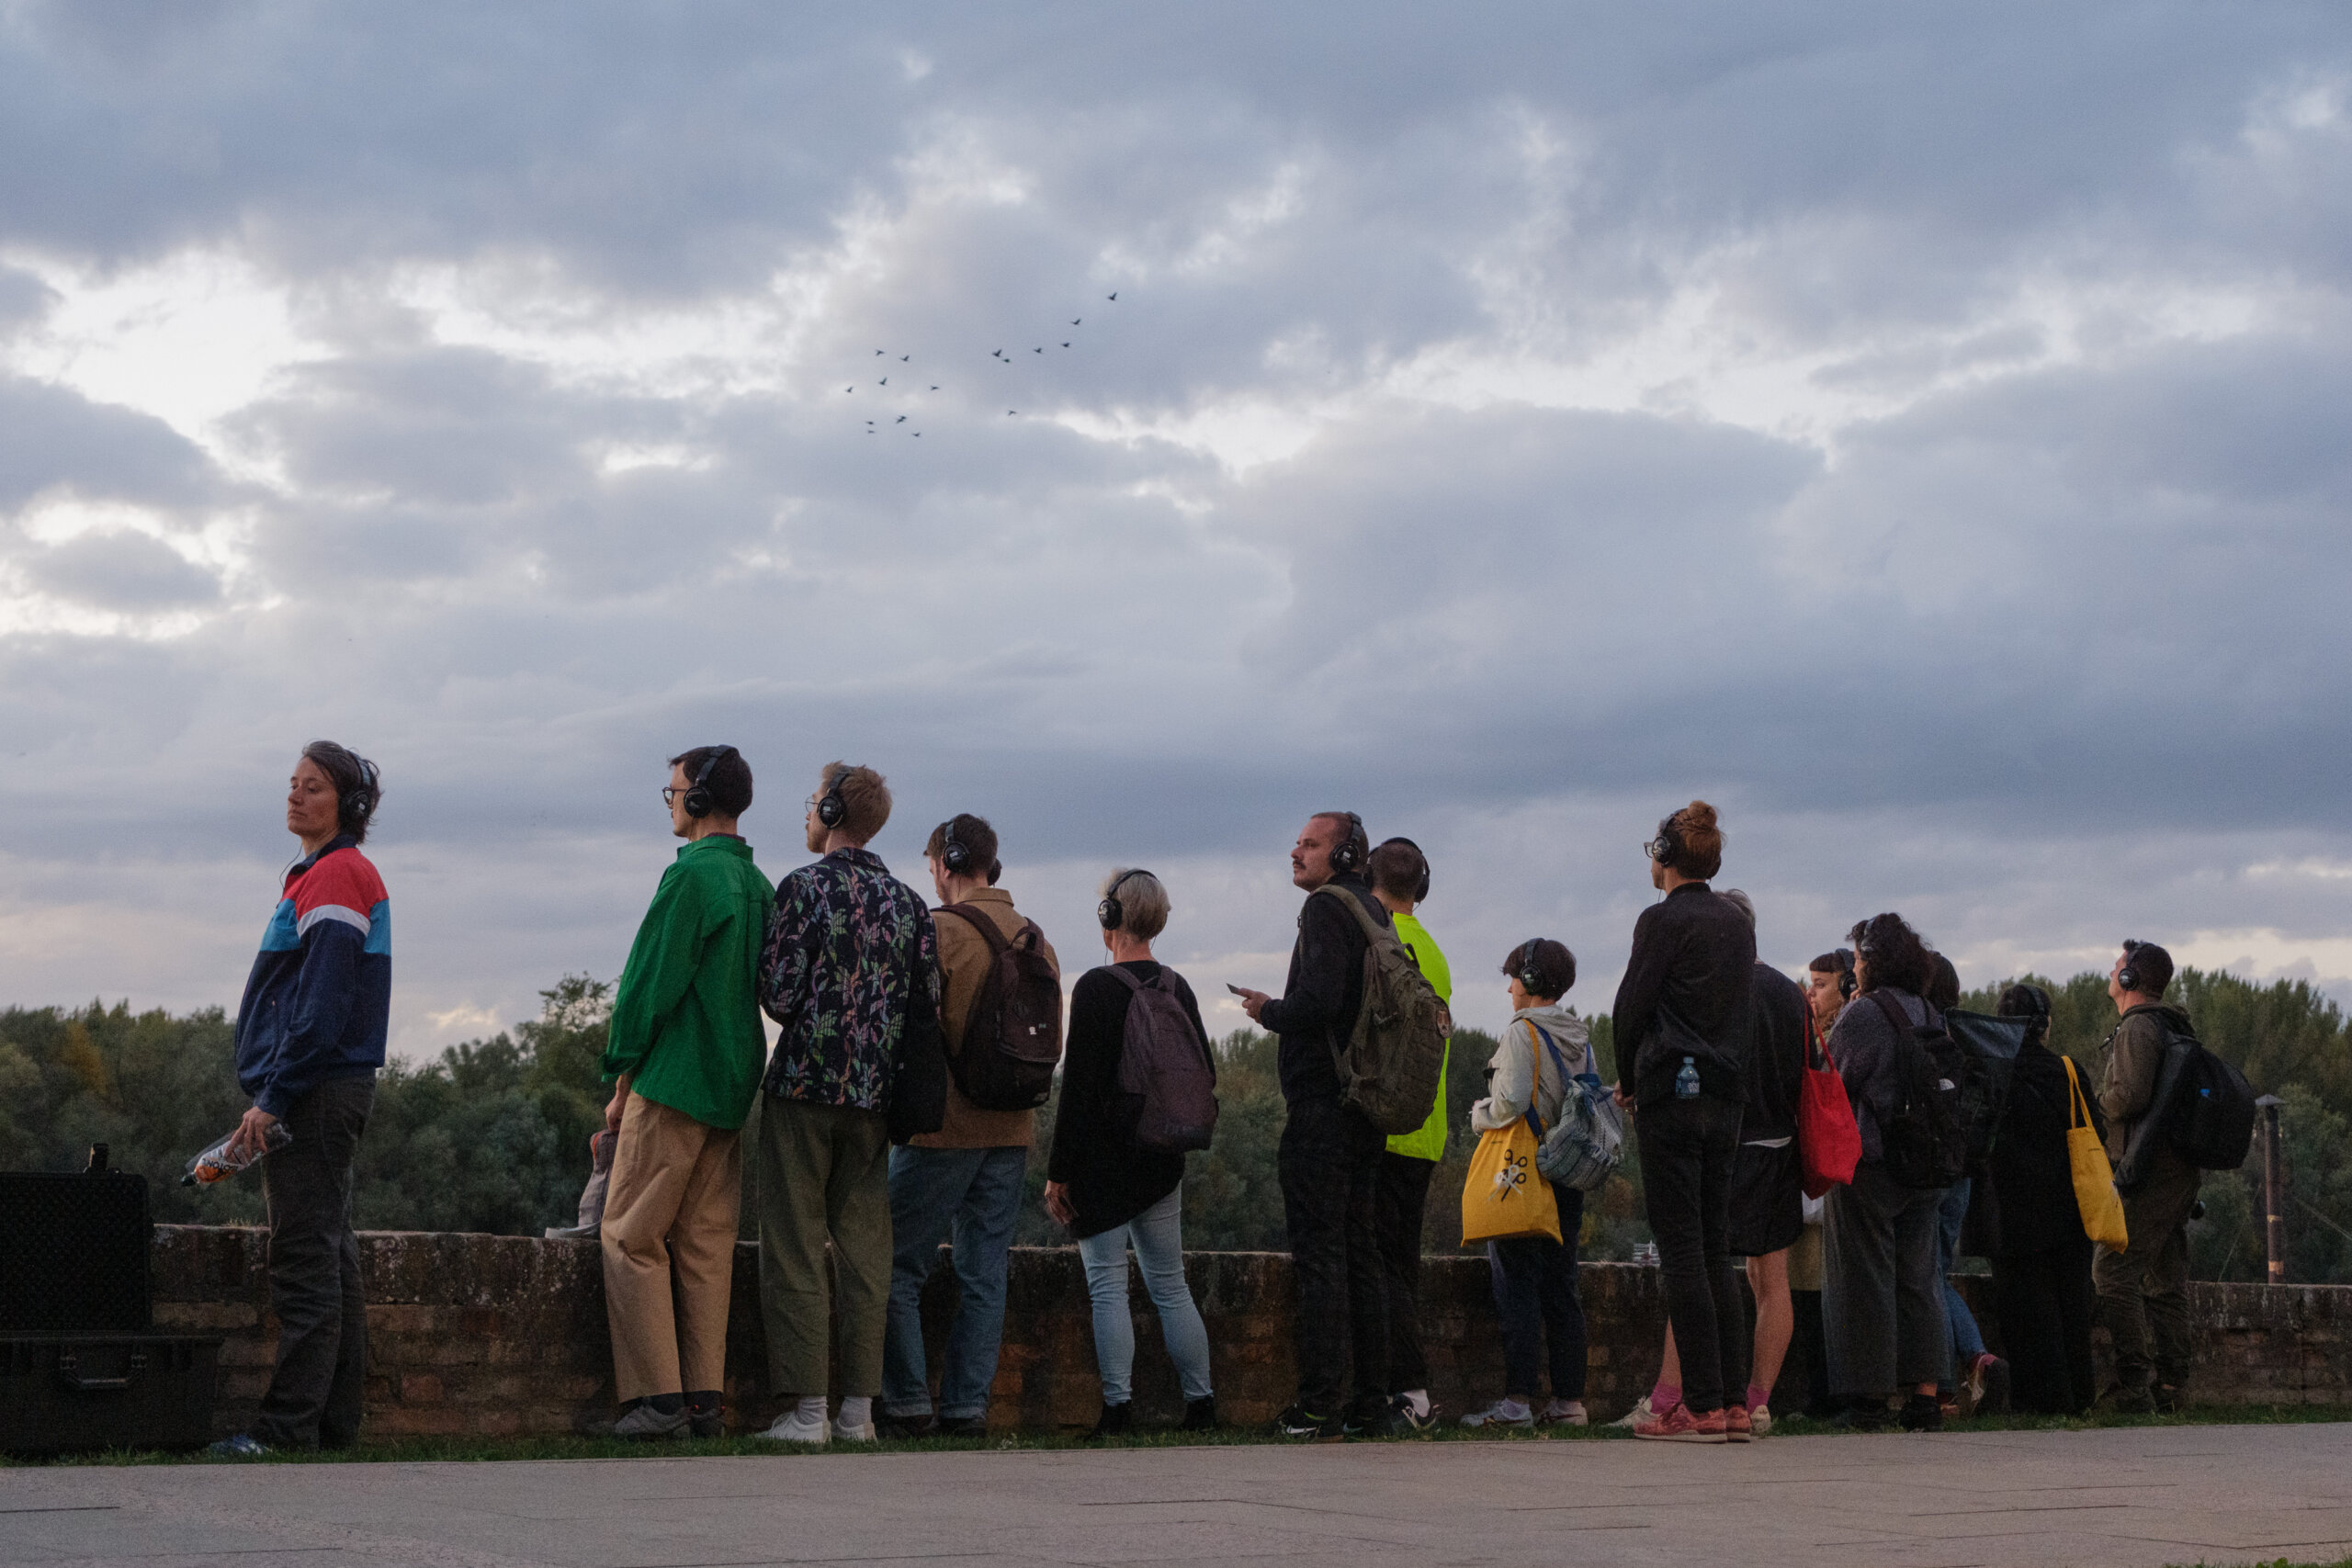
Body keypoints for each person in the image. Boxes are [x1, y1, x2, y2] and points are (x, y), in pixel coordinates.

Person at [210, 742, 390, 1458]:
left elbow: (321, 1001)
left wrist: (274, 1095)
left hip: (315, 1087)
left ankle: (285, 1430)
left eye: (311, 787)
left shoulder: (339, 874)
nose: (294, 797)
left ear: (346, 804)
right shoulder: (320, 873)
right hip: (326, 1085)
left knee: (304, 1260)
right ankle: (334, 1424)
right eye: (292, 785)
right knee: (332, 1255)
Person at [753, 762, 938, 1446]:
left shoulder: (803, 890)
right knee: (867, 1250)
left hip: (803, 1086)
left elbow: (777, 993)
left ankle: (807, 1412)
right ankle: (859, 1410)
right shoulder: (912, 904)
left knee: (795, 1244)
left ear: (831, 810)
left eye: (811, 802)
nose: (808, 813)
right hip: (876, 1096)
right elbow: (928, 1005)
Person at [594, 747, 773, 1441]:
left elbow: (647, 989)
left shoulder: (691, 879)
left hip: (674, 1080)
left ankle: (655, 1398)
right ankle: (704, 1396)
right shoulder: (758, 882)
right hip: (731, 1085)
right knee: (705, 1244)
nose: (668, 802)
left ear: (698, 799)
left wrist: (620, 1078)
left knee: (630, 1233)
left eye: (671, 791)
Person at [880, 815, 1057, 1438]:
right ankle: (965, 1408)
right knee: (984, 1273)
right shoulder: (1036, 937)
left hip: (943, 1130)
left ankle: (905, 1401)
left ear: (946, 863)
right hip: (1011, 1130)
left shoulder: (937, 931)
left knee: (894, 1263)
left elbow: (910, 1031)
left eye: (933, 864)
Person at [1232, 811, 1394, 1440]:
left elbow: (1319, 1002)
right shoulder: (1372, 910)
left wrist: (1267, 1009)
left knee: (1322, 1253)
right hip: (1364, 1107)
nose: (1295, 851)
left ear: (1345, 853)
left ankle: (1321, 1401)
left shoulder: (1327, 908)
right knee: (1362, 1250)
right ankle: (1370, 1402)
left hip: (1324, 1107)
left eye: (1310, 843)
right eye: (1297, 840)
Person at [1042, 869, 1218, 1437]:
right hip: (1163, 1159)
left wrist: (1058, 1173)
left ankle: (1118, 1409)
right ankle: (1202, 1405)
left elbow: (1080, 1092)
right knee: (1170, 1283)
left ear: (1109, 918)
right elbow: (1203, 1074)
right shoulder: (1177, 986)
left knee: (1106, 1286)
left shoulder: (1096, 987)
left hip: (1103, 1165)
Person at [1623, 890, 1805, 1440]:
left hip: (1724, 1134)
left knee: (1698, 1262)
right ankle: (1753, 1401)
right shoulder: (1789, 994)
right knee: (1771, 1282)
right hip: (1779, 1144)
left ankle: (1674, 1395)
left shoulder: (1720, 988)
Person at [1611, 801, 1754, 1444]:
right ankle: (1732, 1400)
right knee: (1717, 1248)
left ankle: (1698, 1402)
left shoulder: (1661, 920)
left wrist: (1632, 1081)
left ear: (1665, 853)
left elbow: (1630, 1006)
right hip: (1726, 1094)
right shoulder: (1735, 922)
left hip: (1672, 1090)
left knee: (1681, 1252)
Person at [1822, 911, 1950, 1432]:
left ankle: (1869, 1399)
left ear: (1871, 961)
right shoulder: (1930, 1013)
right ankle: (1925, 1397)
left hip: (1872, 1164)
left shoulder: (1865, 1015)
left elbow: (1834, 1080)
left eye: (1856, 959)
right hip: (1928, 1163)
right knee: (1921, 1279)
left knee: (1864, 1278)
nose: (1854, 968)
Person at [1459, 939, 1591, 1431]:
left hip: (1523, 1170)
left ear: (1531, 982)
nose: (1510, 988)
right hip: (1567, 1172)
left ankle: (1516, 1402)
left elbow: (1511, 1099)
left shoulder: (1522, 1031)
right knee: (1562, 1284)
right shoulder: (1580, 1034)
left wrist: (1478, 1114)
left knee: (1516, 1284)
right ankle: (1569, 1402)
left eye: (1514, 977)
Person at [1365, 837, 1452, 1432]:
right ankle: (1406, 1384)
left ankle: (1407, 1388)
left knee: (1381, 1266)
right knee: (1401, 1263)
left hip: (1385, 1128)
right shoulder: (1434, 952)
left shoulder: (1380, 944)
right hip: (1427, 1131)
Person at [1986, 983, 2105, 1415]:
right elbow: (2099, 1132)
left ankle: (2040, 1400)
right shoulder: (2070, 1071)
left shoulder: (1996, 1073)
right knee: (2073, 1306)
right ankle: (2080, 1397)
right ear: (2045, 1026)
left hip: (2014, 1209)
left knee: (2025, 1309)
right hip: (2070, 1206)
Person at [2092, 939, 2198, 1414]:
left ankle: (2133, 1386)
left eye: (2118, 967)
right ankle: (2173, 1385)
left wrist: (2094, 1107)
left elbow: (2129, 1097)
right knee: (2163, 1277)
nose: (2112, 973)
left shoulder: (2138, 1028)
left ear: (2132, 978)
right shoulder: (2175, 1025)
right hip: (2176, 1171)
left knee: (2112, 1271)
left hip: (2147, 1172)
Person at [1924, 953, 2008, 1416]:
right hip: (1966, 1171)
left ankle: (1941, 1386)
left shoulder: (1930, 1034)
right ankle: (1977, 1361)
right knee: (1935, 1270)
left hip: (1934, 1169)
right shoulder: (1973, 1039)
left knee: (1925, 1273)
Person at [1787, 949, 1857, 1420]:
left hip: (1827, 1185)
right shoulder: (1814, 1034)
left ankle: (1823, 1397)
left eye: (1821, 984)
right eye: (1809, 984)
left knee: (1815, 1294)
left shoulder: (1838, 1039)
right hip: (1817, 1185)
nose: (1812, 992)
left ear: (1845, 988)